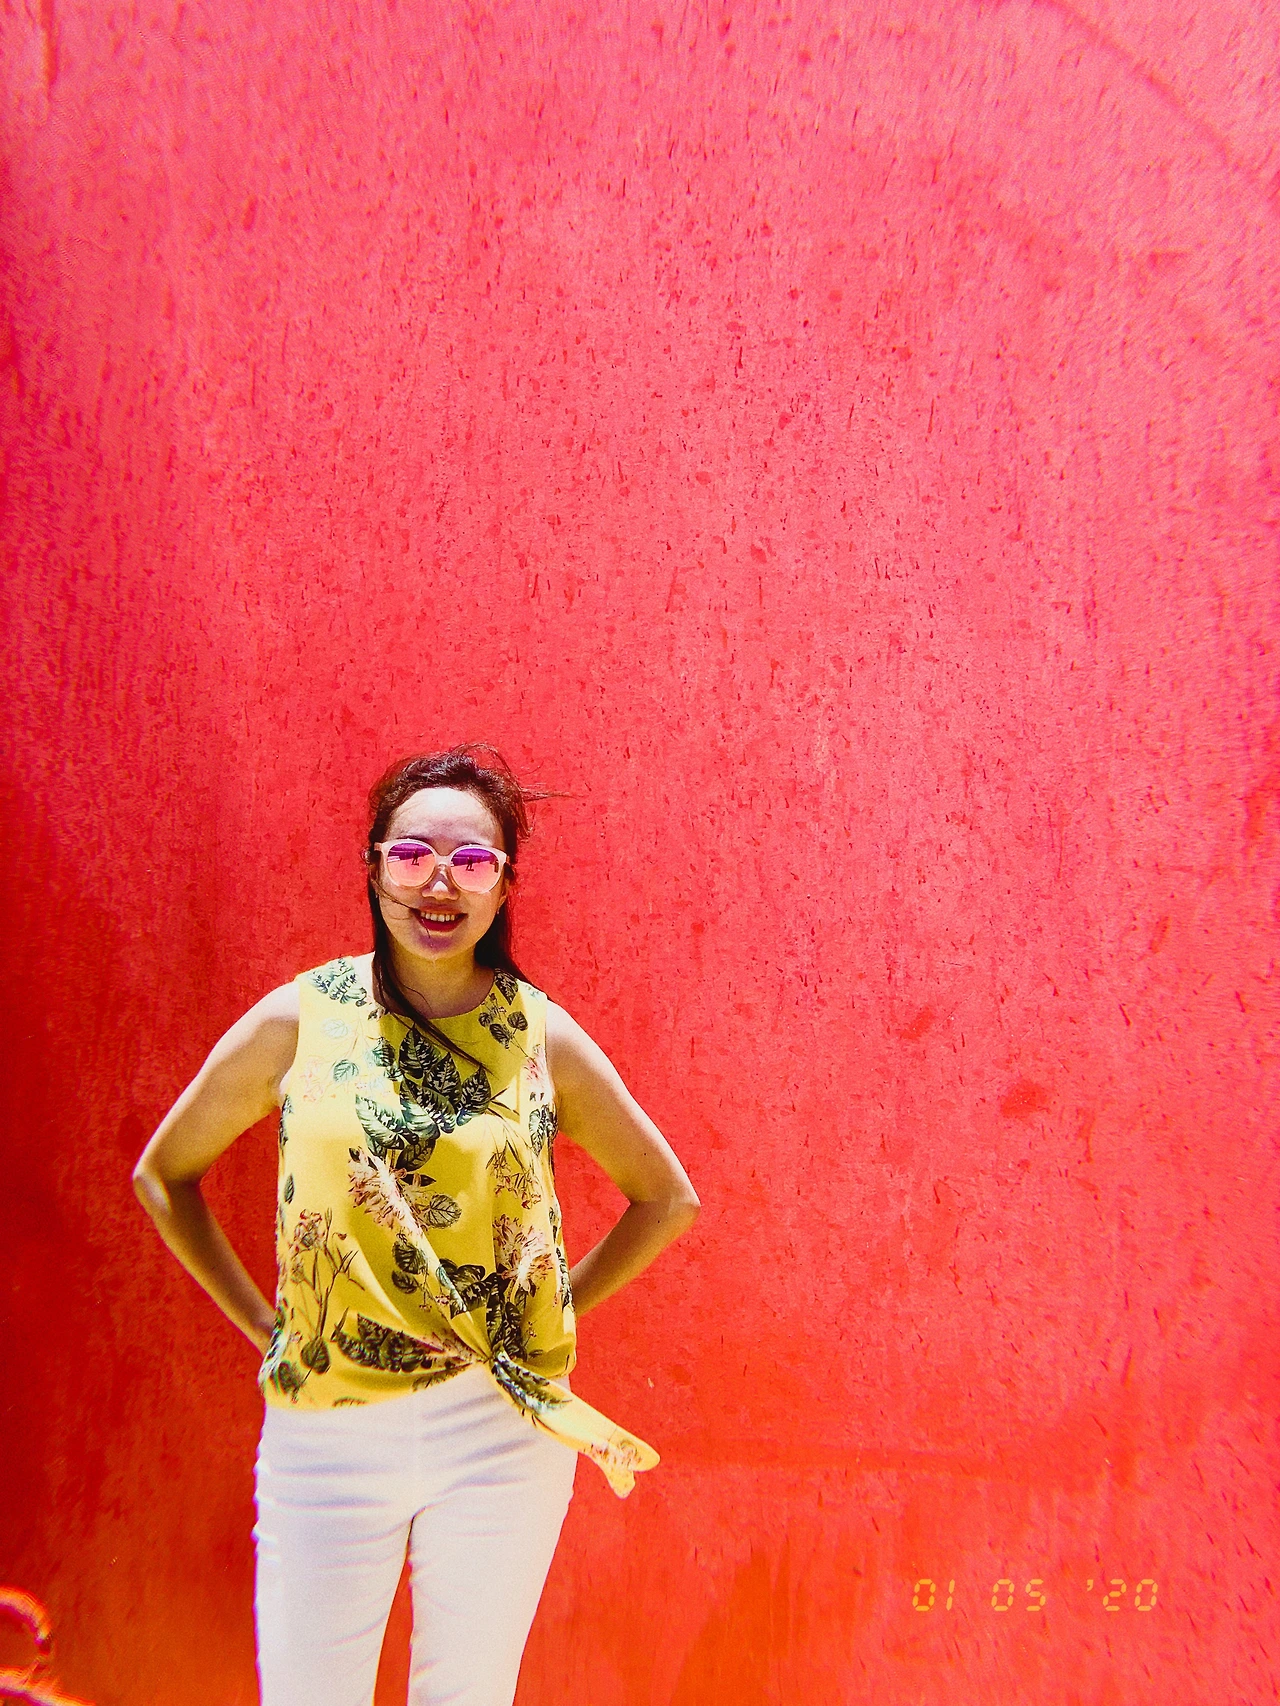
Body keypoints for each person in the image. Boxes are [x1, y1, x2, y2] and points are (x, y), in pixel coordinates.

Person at [132, 745, 701, 1706]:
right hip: (327, 1430)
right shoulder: (301, 1020)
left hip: (500, 1429)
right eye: (411, 856)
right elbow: (165, 1175)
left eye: (472, 862)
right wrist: (266, 1325)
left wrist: (544, 1315)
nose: (440, 883)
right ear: (373, 870)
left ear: (505, 886)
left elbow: (667, 1198)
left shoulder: (539, 1034)